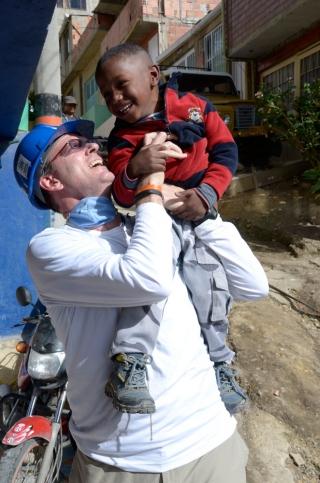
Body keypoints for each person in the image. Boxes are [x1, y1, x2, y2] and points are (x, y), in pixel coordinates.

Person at [14, 119, 249, 483]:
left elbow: (251, 286)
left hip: (211, 444)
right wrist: (151, 183)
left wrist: (204, 215)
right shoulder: (50, 247)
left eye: (88, 140)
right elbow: (148, 278)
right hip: (121, 463)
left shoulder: (149, 226)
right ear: (51, 181)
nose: (92, 146)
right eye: (72, 146)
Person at [94, 43, 269, 413]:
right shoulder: (123, 139)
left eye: (122, 85)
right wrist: (137, 166)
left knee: (211, 285)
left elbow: (225, 153)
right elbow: (122, 192)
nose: (115, 98)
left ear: (153, 76)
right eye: (107, 93)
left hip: (198, 215)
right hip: (154, 217)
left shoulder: (195, 108)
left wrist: (206, 195)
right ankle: (131, 361)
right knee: (151, 280)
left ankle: (220, 363)